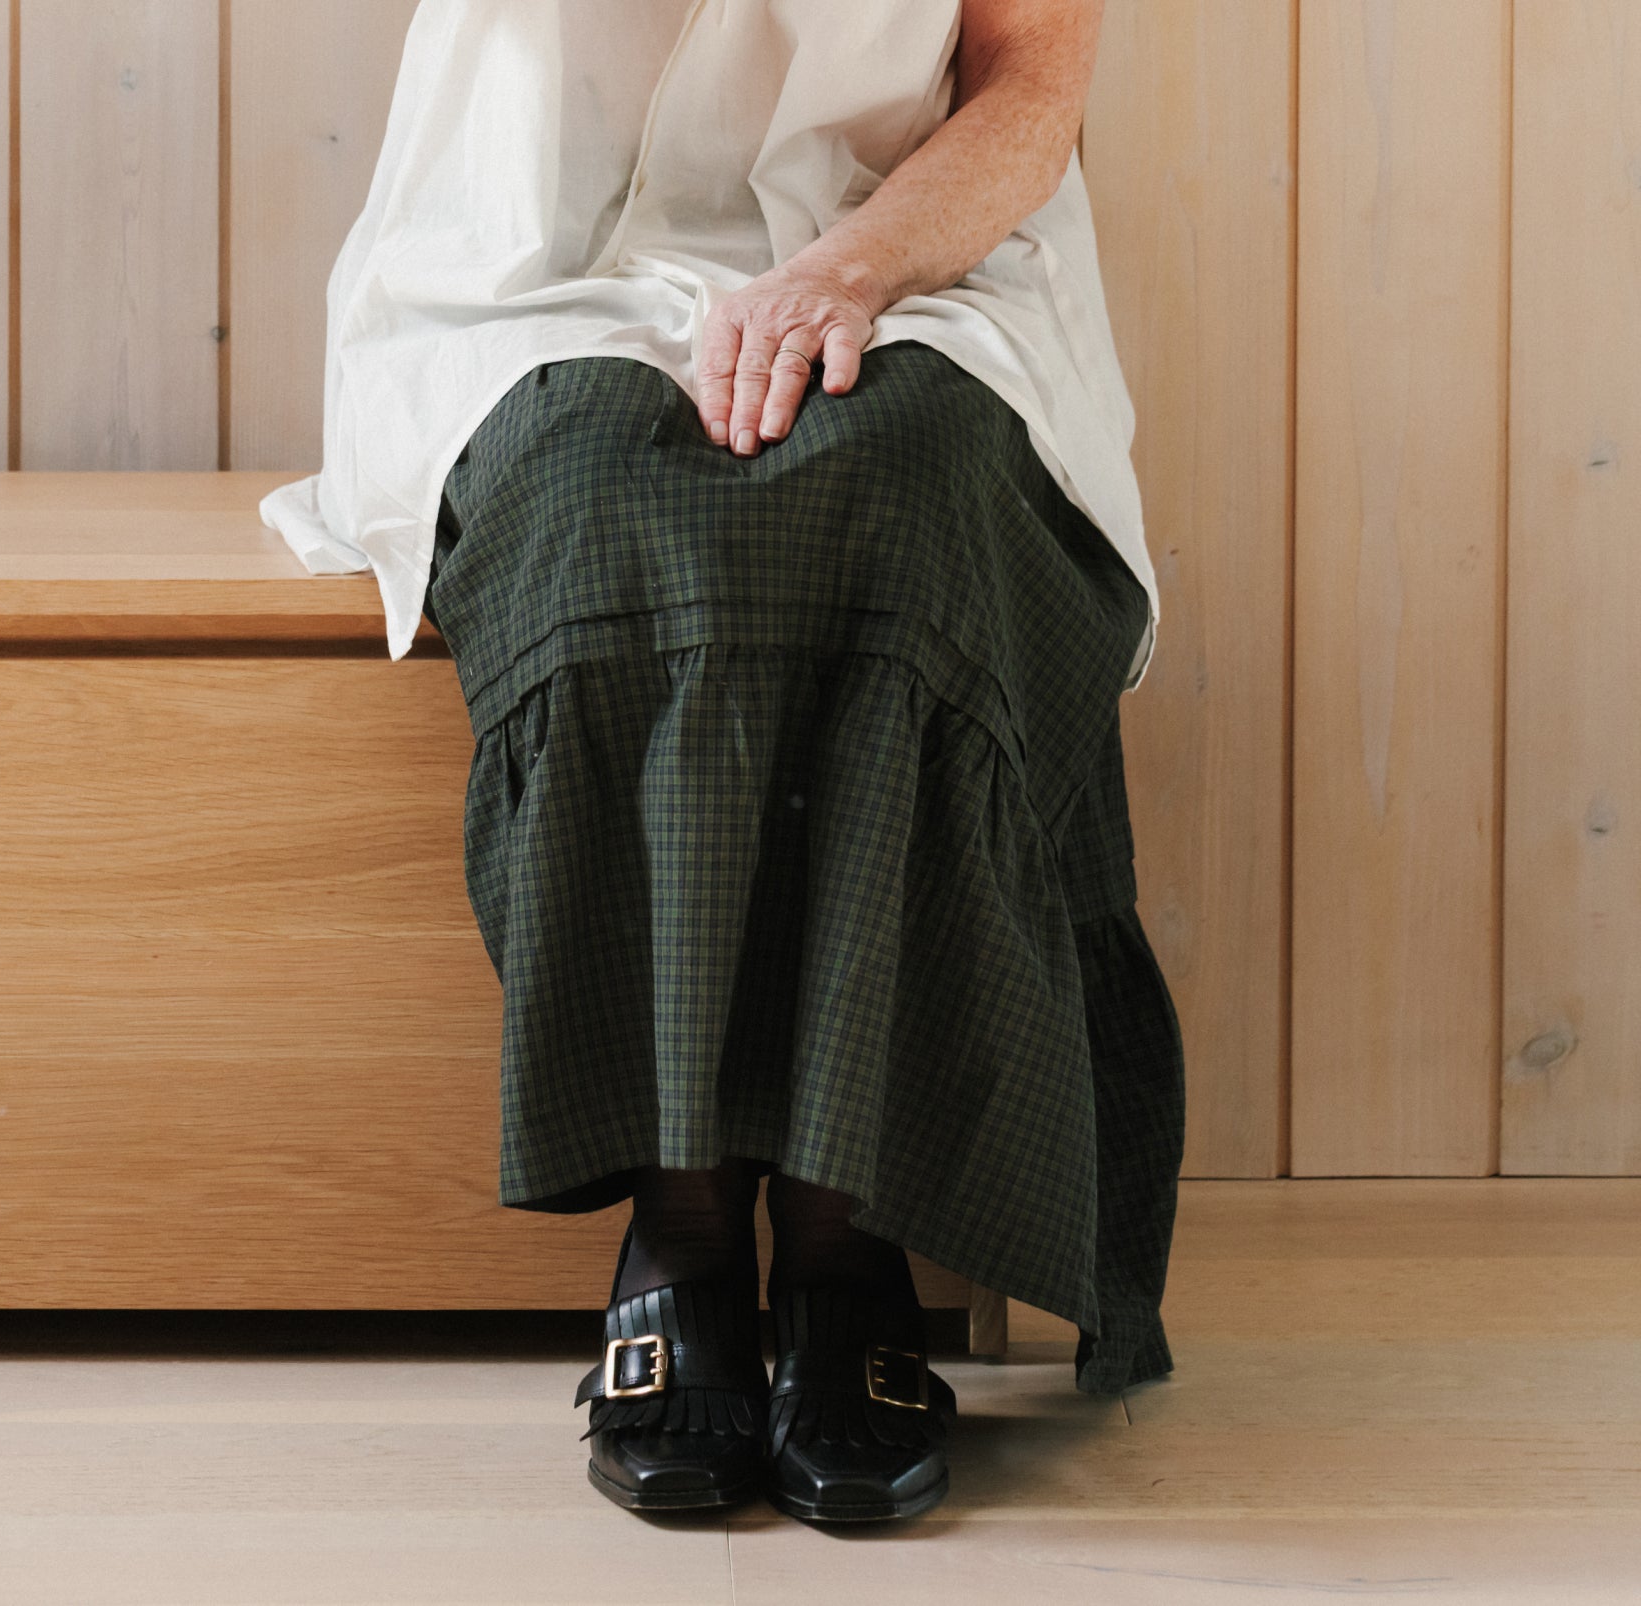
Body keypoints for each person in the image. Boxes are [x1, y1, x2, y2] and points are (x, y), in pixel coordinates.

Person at [259, 0, 1182, 1524]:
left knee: (911, 500)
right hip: (543, 270)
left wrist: (849, 268)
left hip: (912, 261)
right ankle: (682, 1227)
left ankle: (843, 1239)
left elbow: (1032, 86)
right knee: (603, 502)